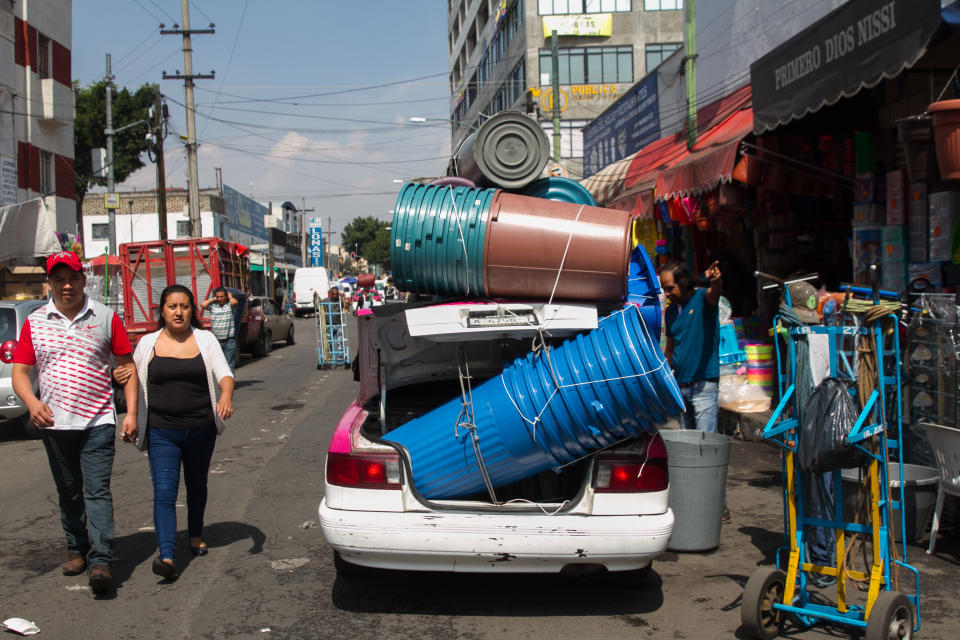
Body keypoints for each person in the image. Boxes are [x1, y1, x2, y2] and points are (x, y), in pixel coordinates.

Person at [10, 251, 139, 595]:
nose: (66, 286)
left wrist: (131, 414)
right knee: (68, 491)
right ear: (49, 284)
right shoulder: (35, 322)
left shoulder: (106, 317)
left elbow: (127, 368)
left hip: (98, 421)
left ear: (83, 281)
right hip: (54, 425)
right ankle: (76, 548)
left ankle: (101, 560)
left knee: (96, 490)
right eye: (59, 280)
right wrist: (32, 402)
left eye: (72, 279)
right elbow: (20, 373)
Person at [130, 284, 234, 580]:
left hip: (201, 429)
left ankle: (196, 533)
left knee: (197, 485)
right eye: (172, 306)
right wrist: (132, 418)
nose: (178, 311)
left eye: (185, 306)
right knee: (164, 491)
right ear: (162, 311)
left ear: (193, 310)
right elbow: (133, 381)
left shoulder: (206, 339)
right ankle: (167, 556)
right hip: (162, 431)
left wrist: (226, 395)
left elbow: (224, 373)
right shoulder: (147, 343)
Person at [661, 261, 730, 524]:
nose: (667, 293)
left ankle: (717, 505)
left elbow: (715, 293)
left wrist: (715, 279)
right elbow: (670, 348)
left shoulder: (703, 299)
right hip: (681, 387)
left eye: (670, 288)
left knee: (707, 447)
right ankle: (695, 502)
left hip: (704, 386)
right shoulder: (670, 312)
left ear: (684, 283)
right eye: (665, 289)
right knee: (689, 449)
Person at [200, 287, 239, 374]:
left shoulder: (230, 306)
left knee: (229, 363)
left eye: (222, 296)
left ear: (225, 297)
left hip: (229, 340)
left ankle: (230, 383)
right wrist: (213, 299)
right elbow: (202, 304)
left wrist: (230, 296)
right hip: (216, 341)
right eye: (217, 297)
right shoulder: (213, 306)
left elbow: (235, 302)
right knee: (218, 364)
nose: (219, 299)